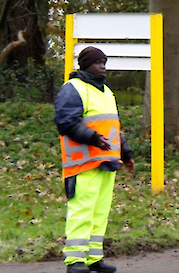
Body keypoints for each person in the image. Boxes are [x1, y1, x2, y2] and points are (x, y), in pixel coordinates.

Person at [55, 46, 135, 273]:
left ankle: (93, 257)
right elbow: (66, 122)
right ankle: (75, 261)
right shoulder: (73, 89)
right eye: (98, 62)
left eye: (104, 62)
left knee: (100, 212)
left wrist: (126, 154)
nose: (103, 66)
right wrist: (92, 138)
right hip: (82, 163)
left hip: (106, 162)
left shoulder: (106, 92)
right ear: (85, 65)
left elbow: (112, 127)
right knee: (82, 210)